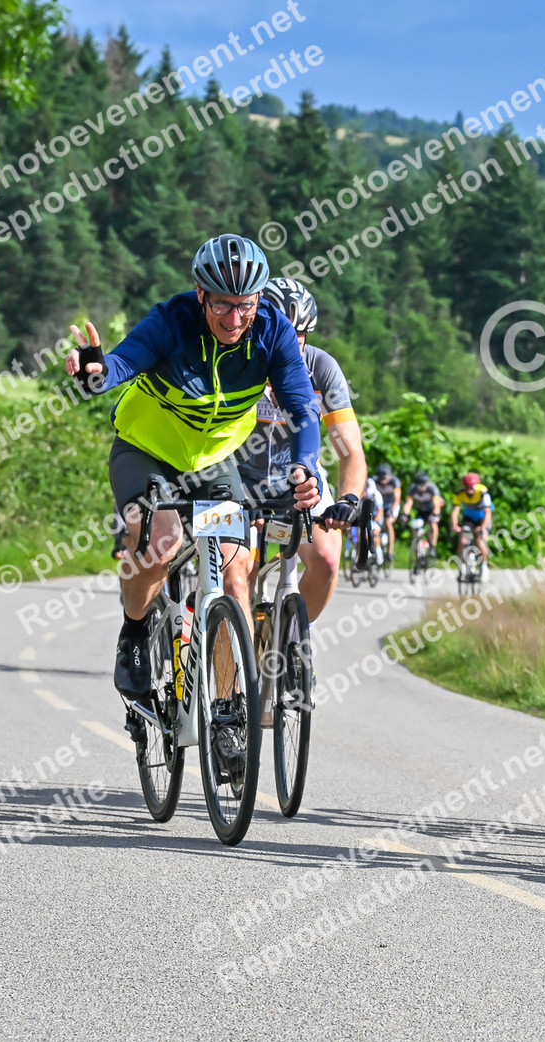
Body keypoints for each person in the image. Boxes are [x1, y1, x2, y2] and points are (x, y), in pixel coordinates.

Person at [64, 234, 320, 704]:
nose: (234, 319)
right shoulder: (172, 320)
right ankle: (135, 631)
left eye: (245, 305)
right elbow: (122, 362)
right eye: (222, 304)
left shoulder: (273, 330)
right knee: (162, 540)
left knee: (236, 569)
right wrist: (96, 372)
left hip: (212, 461)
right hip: (145, 450)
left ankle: (230, 707)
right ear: (200, 294)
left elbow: (302, 409)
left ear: (258, 299)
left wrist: (306, 467)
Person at [232, 276, 366, 620]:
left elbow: (350, 450)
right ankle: (239, 646)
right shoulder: (237, 362)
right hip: (239, 481)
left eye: (298, 337)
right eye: (279, 334)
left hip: (301, 482)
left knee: (326, 561)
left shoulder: (321, 368)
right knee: (240, 573)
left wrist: (349, 500)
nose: (288, 345)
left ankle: (289, 638)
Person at [449, 472, 492, 574]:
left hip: (482, 519)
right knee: (463, 540)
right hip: (469, 519)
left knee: (480, 541)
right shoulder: (459, 494)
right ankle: (463, 565)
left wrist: (483, 527)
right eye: (467, 487)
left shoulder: (483, 492)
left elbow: (488, 512)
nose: (470, 490)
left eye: (472, 487)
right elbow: (455, 511)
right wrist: (454, 525)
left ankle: (483, 565)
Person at [403, 470, 443, 559]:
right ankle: (417, 559)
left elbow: (436, 505)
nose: (419, 488)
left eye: (421, 485)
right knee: (415, 530)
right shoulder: (412, 489)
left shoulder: (432, 488)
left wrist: (435, 515)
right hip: (421, 511)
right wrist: (405, 514)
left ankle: (433, 546)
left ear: (426, 483)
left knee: (433, 524)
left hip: (432, 510)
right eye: (417, 485)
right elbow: (408, 503)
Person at [373, 463, 402, 566]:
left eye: (384, 478)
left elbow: (397, 499)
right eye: (380, 478)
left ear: (389, 476)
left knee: (388, 522)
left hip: (392, 505)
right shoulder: (374, 480)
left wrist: (392, 510)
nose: (383, 481)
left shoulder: (395, 482)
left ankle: (390, 551)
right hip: (379, 505)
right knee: (375, 524)